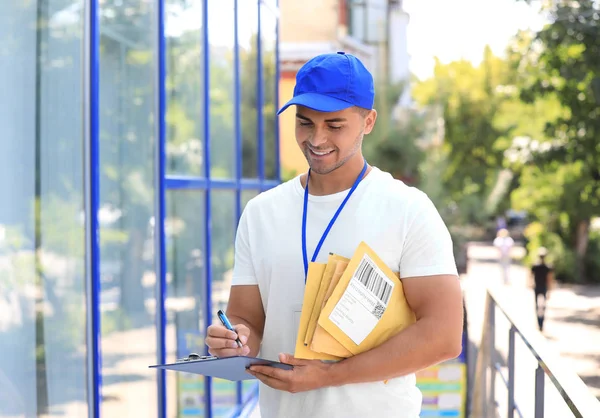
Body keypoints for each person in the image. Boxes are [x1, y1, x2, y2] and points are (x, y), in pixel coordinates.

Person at [205, 52, 463, 418]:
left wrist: (329, 375)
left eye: (335, 125)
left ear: (368, 121)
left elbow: (444, 335)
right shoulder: (261, 212)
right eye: (305, 123)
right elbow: (248, 320)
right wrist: (233, 340)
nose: (317, 139)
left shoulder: (408, 209)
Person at [531, 247, 554, 331]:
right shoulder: (547, 267)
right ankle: (541, 323)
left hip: (537, 287)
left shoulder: (535, 266)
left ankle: (539, 323)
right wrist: (550, 291)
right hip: (543, 288)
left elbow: (531, 277)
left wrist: (531, 284)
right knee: (543, 306)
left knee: (537, 306)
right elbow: (550, 280)